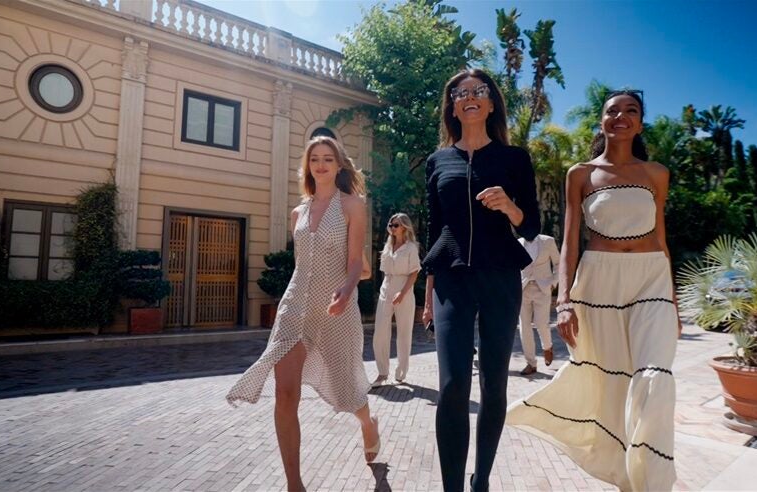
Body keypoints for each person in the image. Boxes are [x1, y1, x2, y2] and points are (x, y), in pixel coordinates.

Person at [507, 90, 681, 492]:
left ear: (640, 123)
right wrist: (563, 301)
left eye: (631, 110)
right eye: (612, 110)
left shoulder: (656, 173)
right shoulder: (581, 174)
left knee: (654, 379)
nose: (621, 116)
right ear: (601, 121)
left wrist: (670, 299)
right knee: (613, 386)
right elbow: (570, 241)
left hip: (650, 278)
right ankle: (625, 478)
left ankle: (654, 484)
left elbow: (661, 237)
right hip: (598, 281)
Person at [226, 136, 380, 492]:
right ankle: (295, 484)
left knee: (346, 390)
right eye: (315, 160)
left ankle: (367, 422)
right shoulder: (299, 212)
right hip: (295, 307)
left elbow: (357, 261)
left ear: (340, 165)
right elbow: (302, 266)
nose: (321, 165)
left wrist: (347, 288)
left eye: (328, 159)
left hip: (337, 308)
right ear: (308, 167)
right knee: (284, 393)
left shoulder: (353, 206)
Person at [422, 68, 540, 492]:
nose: (469, 96)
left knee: (494, 383)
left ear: (491, 104)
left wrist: (510, 206)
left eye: (478, 90)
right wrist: (428, 294)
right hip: (452, 280)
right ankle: (451, 486)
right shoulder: (438, 161)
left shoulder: (514, 159)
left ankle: (481, 480)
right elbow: (434, 231)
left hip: (499, 278)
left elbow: (531, 227)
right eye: (459, 92)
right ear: (452, 106)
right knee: (453, 384)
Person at [372, 213, 421, 387]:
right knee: (380, 333)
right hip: (386, 289)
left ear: (404, 227)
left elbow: (414, 272)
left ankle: (400, 373)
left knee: (403, 334)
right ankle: (382, 373)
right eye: (391, 225)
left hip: (404, 291)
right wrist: (385, 292)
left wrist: (402, 293)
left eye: (396, 225)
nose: (392, 228)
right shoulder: (387, 247)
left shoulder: (411, 248)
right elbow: (384, 272)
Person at [517, 233, 560, 375]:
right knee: (524, 326)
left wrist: (553, 283)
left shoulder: (548, 241)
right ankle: (531, 363)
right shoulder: (518, 242)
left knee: (541, 323)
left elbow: (558, 263)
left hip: (543, 287)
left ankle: (547, 347)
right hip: (523, 288)